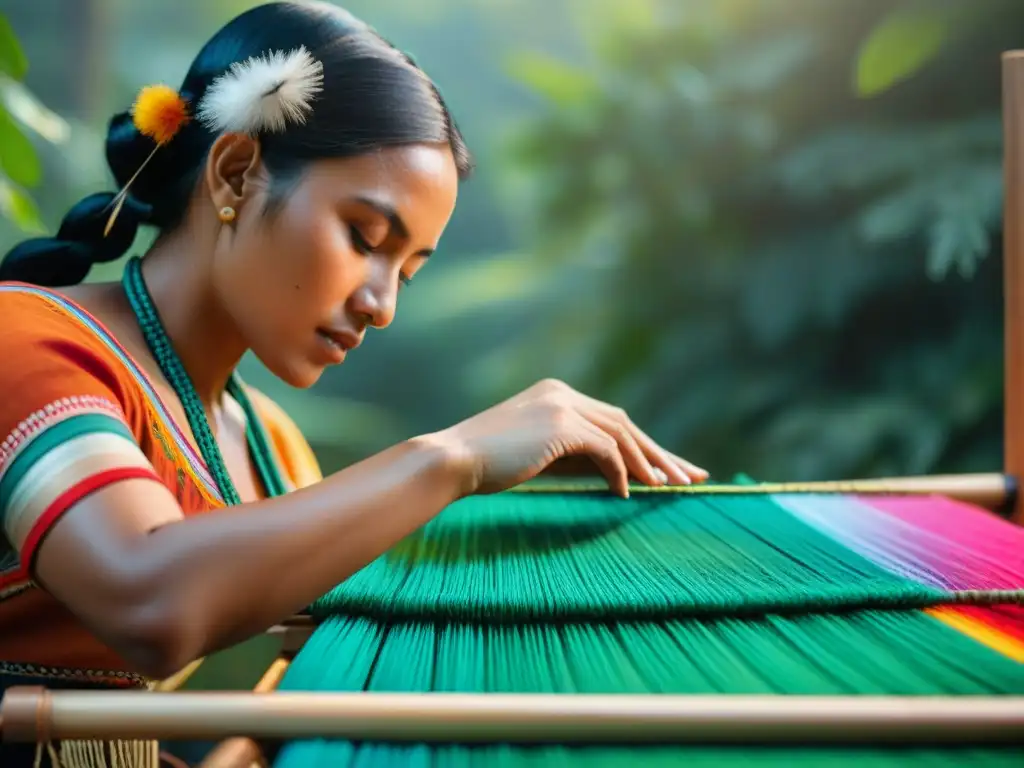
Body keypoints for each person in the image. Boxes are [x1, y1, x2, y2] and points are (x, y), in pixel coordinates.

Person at [0, 2, 707, 765]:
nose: (382, 304)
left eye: (408, 270)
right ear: (235, 173)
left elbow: (283, 716)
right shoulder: (28, 343)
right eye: (364, 238)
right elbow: (150, 600)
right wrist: (454, 458)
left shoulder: (271, 446)